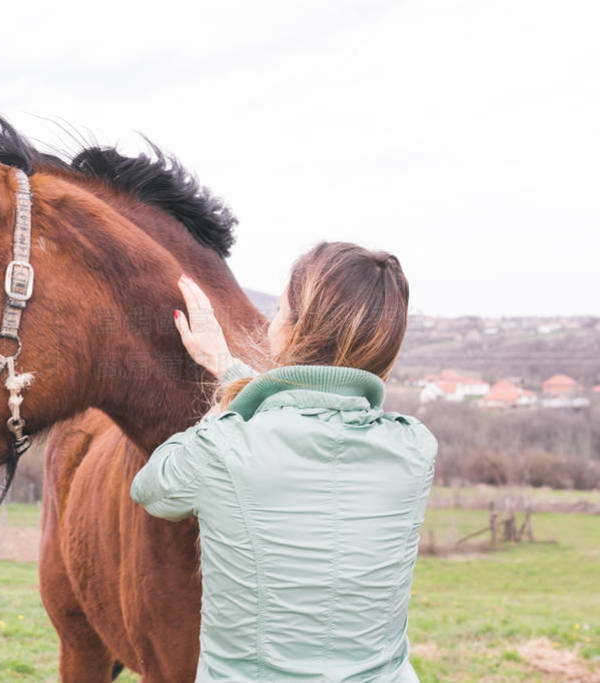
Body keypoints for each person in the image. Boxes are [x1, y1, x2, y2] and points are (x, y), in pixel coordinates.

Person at [130, 241, 437, 682]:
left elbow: (153, 488)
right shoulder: (414, 449)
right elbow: (307, 420)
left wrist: (229, 400)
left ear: (294, 329)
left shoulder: (225, 445)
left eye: (279, 310)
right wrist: (227, 366)